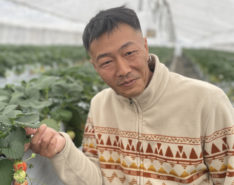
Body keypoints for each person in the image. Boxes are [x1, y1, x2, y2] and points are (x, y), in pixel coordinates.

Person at [25, 6, 234, 185]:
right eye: (107, 62)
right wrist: (63, 149)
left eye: (129, 53)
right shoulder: (100, 106)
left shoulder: (207, 101)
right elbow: (97, 178)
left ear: (145, 46)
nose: (123, 69)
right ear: (95, 66)